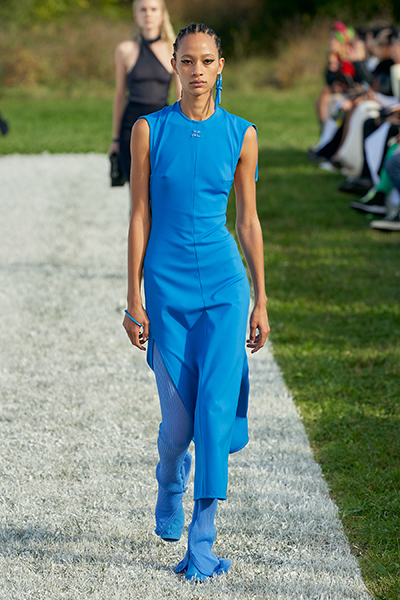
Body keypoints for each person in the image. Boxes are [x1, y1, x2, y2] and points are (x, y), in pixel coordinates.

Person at [123, 22, 270, 581]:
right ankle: (169, 479)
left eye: (206, 61)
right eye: (187, 61)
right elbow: (139, 215)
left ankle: (201, 540)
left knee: (212, 410)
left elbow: (248, 221)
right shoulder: (148, 130)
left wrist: (261, 299)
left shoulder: (242, 134)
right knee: (178, 424)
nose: (197, 71)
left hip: (226, 287)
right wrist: (133, 295)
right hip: (166, 284)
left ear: (220, 66)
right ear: (174, 66)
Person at [108, 0, 180, 182]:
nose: (148, 14)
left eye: (153, 9)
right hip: (130, 127)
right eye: (143, 10)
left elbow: (180, 96)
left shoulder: (174, 49)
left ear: (162, 15)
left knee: (160, 188)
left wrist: (180, 132)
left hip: (162, 125)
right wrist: (115, 140)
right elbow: (119, 95)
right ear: (136, 16)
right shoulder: (125, 50)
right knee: (136, 190)